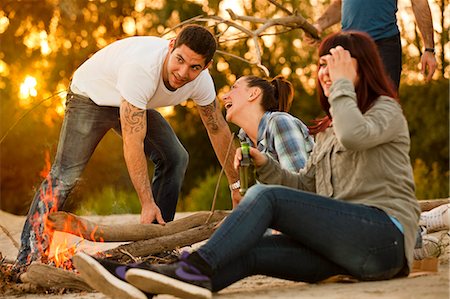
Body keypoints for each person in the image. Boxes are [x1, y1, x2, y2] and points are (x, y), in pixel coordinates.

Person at [73, 31, 421, 299]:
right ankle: (142, 281)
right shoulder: (328, 131)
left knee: (267, 198)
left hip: (384, 239)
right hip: (344, 250)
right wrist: (265, 163)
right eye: (323, 66)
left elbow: (353, 135)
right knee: (249, 253)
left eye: (336, 65)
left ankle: (190, 267)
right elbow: (306, 188)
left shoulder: (384, 111)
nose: (326, 73)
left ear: (360, 68)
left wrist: (342, 85)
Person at [14, 25, 240, 272]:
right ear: (171, 44)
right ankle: (29, 255)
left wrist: (236, 186)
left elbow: (218, 129)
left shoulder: (202, 83)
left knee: (176, 157)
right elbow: (133, 141)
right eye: (179, 60)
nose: (183, 72)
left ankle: (158, 245)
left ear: (206, 66)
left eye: (194, 67)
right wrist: (146, 202)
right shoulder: (142, 68)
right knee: (65, 174)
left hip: (134, 102)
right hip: (92, 96)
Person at [222, 75, 314, 206]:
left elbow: (300, 196)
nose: (224, 96)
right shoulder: (246, 141)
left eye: (234, 88)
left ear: (253, 93)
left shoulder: (280, 123)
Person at [306, 0, 437, 90]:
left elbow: (419, 2)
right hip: (350, 47)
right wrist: (319, 25)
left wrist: (429, 49)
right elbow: (340, 4)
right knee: (348, 103)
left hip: (383, 46)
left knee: (385, 107)